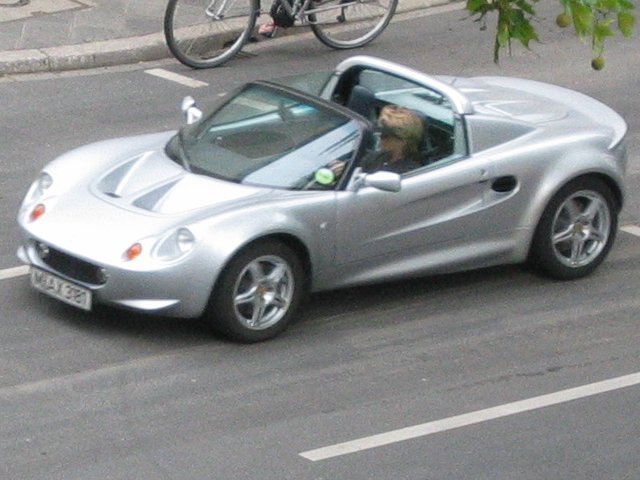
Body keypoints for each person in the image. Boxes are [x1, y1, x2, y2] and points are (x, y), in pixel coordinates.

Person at [362, 105, 424, 175]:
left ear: (402, 141)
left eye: (385, 136)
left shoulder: (409, 173)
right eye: (380, 133)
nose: (381, 140)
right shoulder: (374, 158)